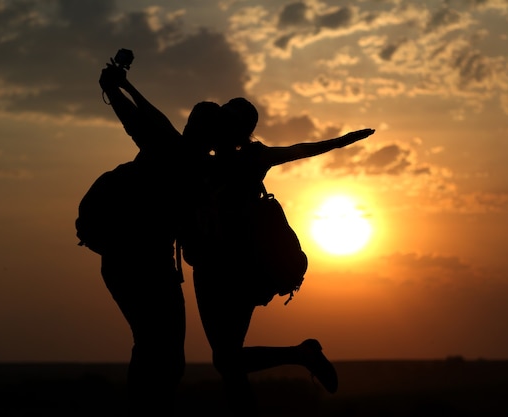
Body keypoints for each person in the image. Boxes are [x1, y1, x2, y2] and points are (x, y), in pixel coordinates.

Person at [188, 96, 375, 416]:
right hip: (209, 267)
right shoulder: (199, 161)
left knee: (227, 360)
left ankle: (300, 355)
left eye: (231, 122)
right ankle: (301, 355)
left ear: (240, 131)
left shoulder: (250, 158)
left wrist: (341, 141)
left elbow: (299, 149)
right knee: (227, 360)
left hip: (238, 270)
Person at [95, 62, 219, 416]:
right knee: (160, 354)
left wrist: (121, 87)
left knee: (155, 350)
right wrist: (121, 88)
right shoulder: (181, 158)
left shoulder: (168, 146)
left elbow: (147, 119)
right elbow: (146, 120)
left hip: (128, 262)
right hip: (142, 265)